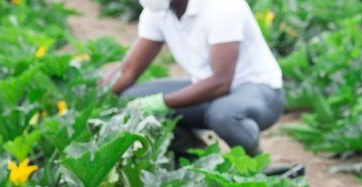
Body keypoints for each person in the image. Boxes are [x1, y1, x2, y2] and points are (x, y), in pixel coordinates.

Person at [102, 0, 285, 157]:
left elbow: (221, 81)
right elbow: (128, 70)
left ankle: (256, 163)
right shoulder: (158, 11)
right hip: (207, 90)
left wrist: (163, 102)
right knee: (129, 98)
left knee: (223, 115)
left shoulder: (222, 6)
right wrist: (95, 98)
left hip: (259, 91)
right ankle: (198, 156)